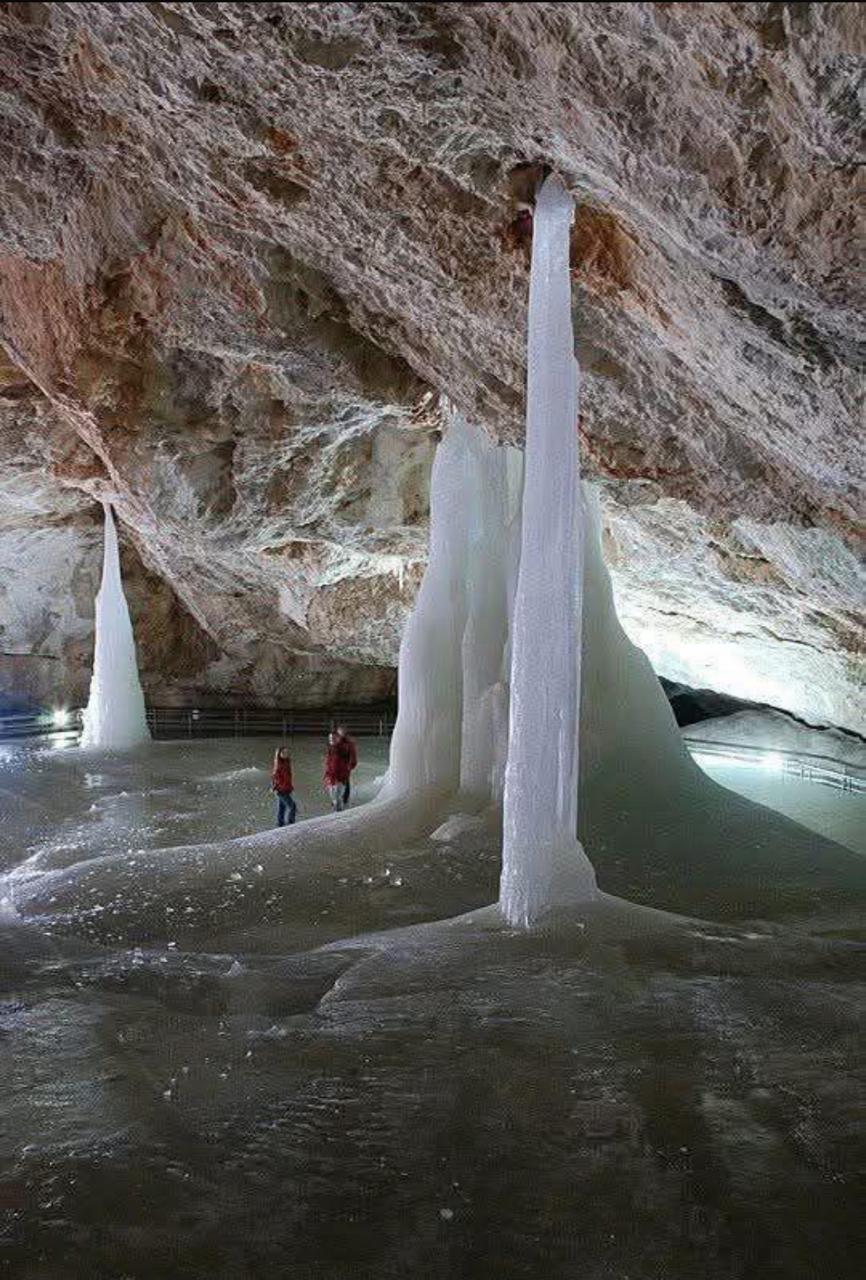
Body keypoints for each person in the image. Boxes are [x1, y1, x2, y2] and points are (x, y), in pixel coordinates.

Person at [323, 731, 350, 811]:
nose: (331, 740)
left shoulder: (342, 749)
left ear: (338, 739)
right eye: (330, 738)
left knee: (337, 800)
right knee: (334, 800)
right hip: (331, 778)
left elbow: (343, 764)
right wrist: (326, 776)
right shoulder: (330, 750)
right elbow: (328, 764)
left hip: (339, 778)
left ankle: (338, 817)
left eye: (334, 738)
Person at [271, 746, 297, 827]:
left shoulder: (287, 762)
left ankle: (280, 824)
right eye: (283, 753)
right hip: (281, 790)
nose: (286, 754)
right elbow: (274, 777)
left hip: (287, 789)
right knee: (292, 806)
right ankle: (291, 823)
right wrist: (275, 787)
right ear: (279, 754)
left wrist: (290, 787)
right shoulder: (278, 765)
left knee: (282, 808)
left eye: (287, 753)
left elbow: (288, 777)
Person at [335, 725, 358, 806]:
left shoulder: (349, 743)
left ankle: (344, 799)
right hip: (338, 766)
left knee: (345, 782)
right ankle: (339, 799)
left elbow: (353, 755)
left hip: (345, 766)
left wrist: (351, 765)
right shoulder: (337, 741)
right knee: (338, 782)